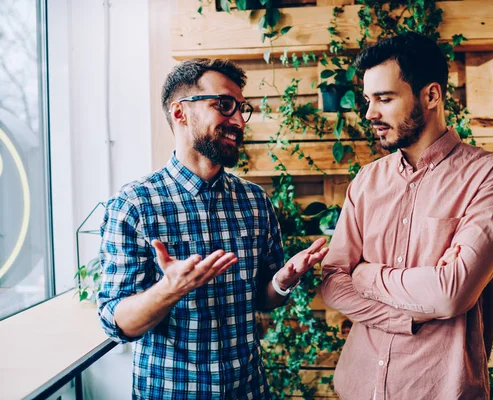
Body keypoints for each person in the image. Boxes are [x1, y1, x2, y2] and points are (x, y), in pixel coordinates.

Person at [97, 58, 328, 400]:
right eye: (224, 105)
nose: (237, 120)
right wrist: (170, 290)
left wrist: (281, 283)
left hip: (248, 391)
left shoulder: (254, 202)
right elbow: (117, 323)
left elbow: (263, 300)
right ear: (180, 113)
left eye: (241, 108)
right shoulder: (135, 204)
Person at [320, 32, 493, 400]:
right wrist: (408, 316)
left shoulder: (492, 177)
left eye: (384, 98)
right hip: (357, 385)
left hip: (439, 391)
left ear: (430, 95)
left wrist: (365, 274)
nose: (370, 113)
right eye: (368, 100)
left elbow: (450, 295)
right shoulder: (367, 180)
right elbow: (333, 281)